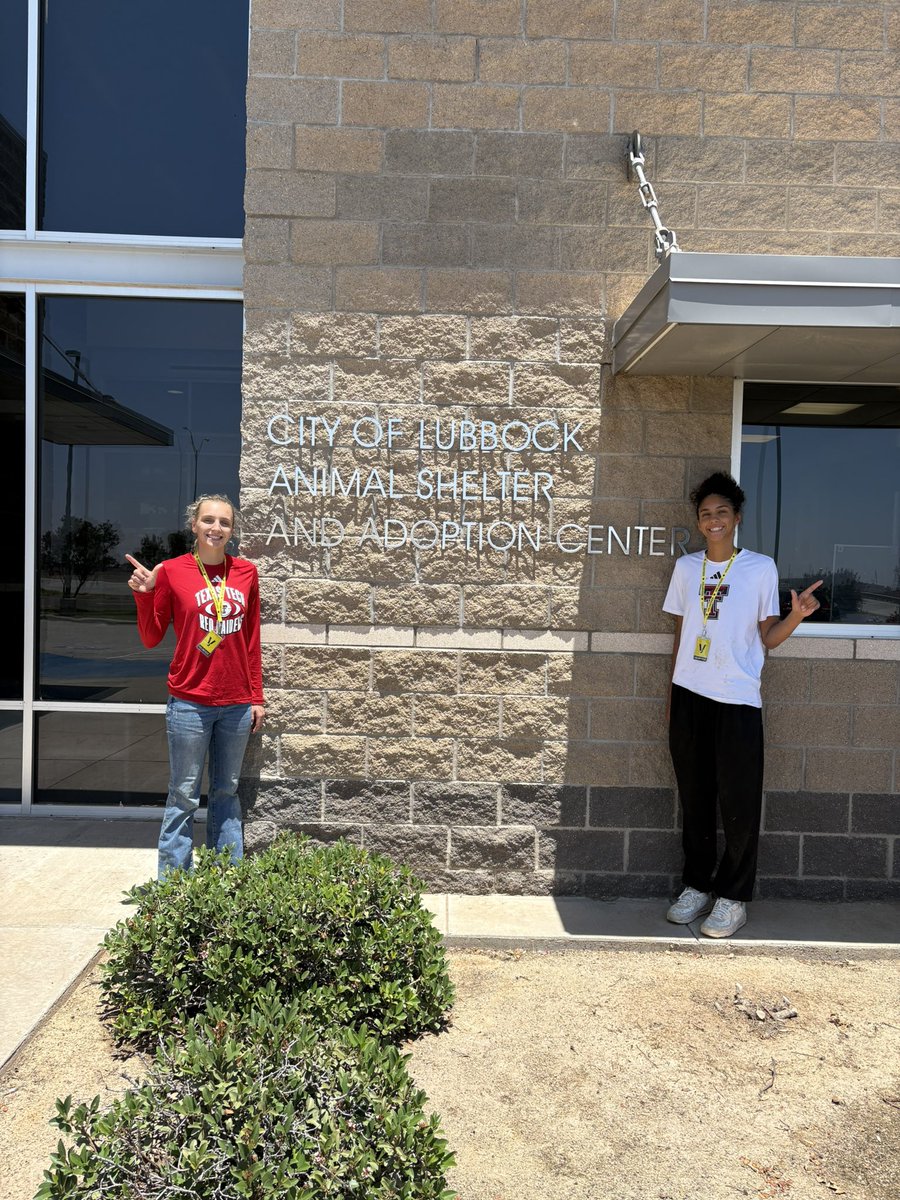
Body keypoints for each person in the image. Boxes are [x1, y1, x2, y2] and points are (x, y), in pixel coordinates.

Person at [662, 472, 821, 938]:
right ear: (699, 521)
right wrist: (671, 697)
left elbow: (767, 637)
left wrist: (795, 616)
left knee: (738, 803)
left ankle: (732, 898)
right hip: (690, 696)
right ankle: (696, 886)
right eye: (706, 514)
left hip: (736, 700)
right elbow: (681, 634)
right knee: (695, 801)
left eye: (722, 513)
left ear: (737, 519)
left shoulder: (759, 568)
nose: (714, 521)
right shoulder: (686, 569)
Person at [126, 494, 265, 878]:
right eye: (208, 520)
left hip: (236, 704)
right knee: (183, 795)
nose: (216, 528)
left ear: (232, 530)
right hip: (189, 702)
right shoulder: (171, 571)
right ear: (194, 525)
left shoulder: (246, 573)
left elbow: (251, 639)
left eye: (224, 522)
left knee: (226, 792)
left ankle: (226, 880)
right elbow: (152, 636)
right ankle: (174, 886)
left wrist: (256, 696)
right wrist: (144, 596)